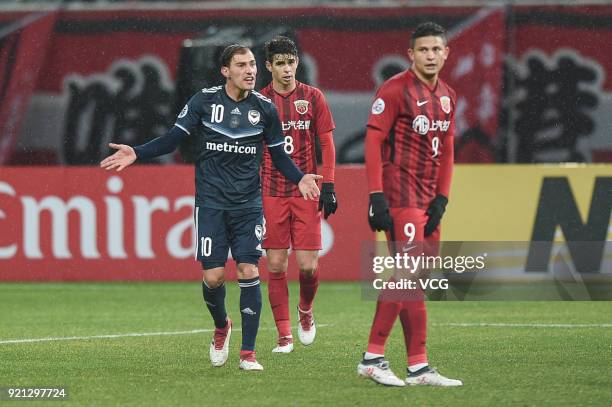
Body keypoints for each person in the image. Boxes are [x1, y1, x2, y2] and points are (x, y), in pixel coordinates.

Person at [100, 44, 322, 371]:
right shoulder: (204, 101)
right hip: (211, 204)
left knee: (249, 271)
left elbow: (278, 155)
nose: (250, 71)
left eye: (252, 65)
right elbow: (173, 138)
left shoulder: (265, 109)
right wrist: (138, 152)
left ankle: (248, 354)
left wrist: (300, 177)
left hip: (248, 205)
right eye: (242, 65)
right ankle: (221, 327)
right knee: (214, 276)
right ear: (225, 70)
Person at [357, 22, 463, 386]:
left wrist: (443, 197)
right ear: (411, 54)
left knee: (419, 276)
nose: (430, 56)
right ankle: (372, 357)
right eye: (423, 50)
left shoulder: (448, 94)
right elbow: (373, 143)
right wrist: (375, 195)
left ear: (446, 53)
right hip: (400, 194)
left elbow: (448, 149)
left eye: (436, 49)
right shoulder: (395, 89)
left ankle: (418, 366)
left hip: (427, 198)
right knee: (406, 273)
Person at [259, 36, 337, 353]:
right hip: (271, 191)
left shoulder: (313, 97)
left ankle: (305, 310)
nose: (287, 69)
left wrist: (329, 186)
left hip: (307, 191)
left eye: (291, 62)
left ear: (297, 63)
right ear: (269, 67)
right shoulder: (259, 101)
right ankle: (284, 334)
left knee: (307, 266)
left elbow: (328, 144)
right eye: (280, 63)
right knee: (276, 265)